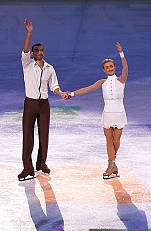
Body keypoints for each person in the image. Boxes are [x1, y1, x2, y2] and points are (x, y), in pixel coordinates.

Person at [18, 19, 70, 181]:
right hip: (30, 103)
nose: (40, 52)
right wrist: (29, 33)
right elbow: (25, 50)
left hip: (44, 105)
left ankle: (41, 164)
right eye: (37, 50)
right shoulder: (27, 64)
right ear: (33, 54)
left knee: (44, 136)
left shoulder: (50, 68)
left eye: (42, 50)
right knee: (28, 136)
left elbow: (54, 86)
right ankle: (28, 168)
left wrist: (60, 93)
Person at [68, 42, 128, 179]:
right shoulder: (102, 82)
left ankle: (113, 163)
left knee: (116, 141)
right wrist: (71, 94)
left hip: (119, 114)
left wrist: (121, 53)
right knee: (108, 141)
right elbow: (87, 89)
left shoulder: (121, 80)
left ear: (114, 67)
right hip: (107, 114)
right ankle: (111, 165)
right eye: (107, 67)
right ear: (104, 70)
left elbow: (126, 68)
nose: (110, 68)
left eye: (111, 66)